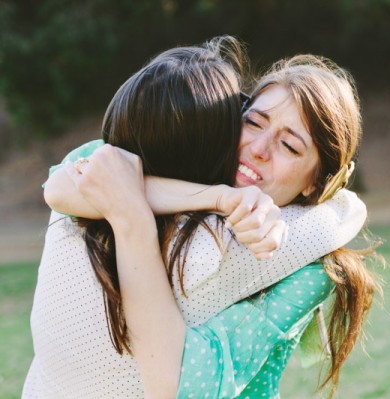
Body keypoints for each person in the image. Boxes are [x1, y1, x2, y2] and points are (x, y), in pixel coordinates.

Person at [23, 37, 368, 398]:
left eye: (289, 145)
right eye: (254, 123)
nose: (259, 149)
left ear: (317, 183)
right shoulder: (175, 169)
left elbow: (192, 383)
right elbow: (68, 181)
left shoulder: (304, 260)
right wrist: (218, 198)